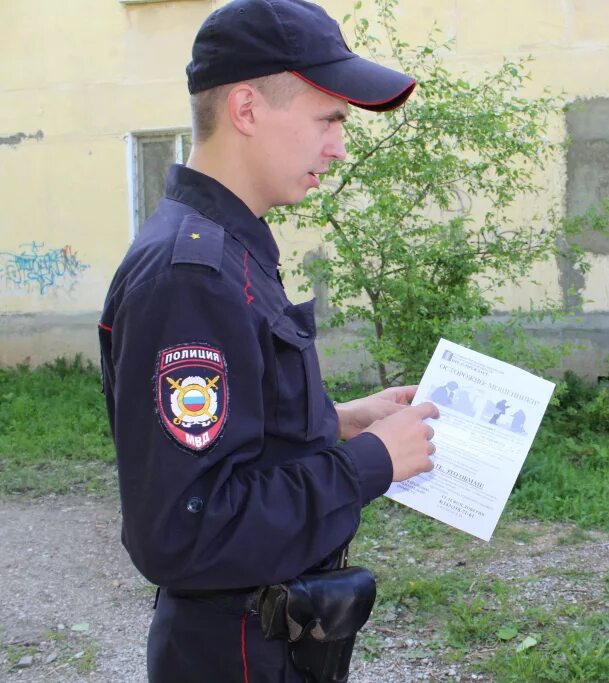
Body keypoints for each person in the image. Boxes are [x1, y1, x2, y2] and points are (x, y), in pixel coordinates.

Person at [96, 1, 438, 680]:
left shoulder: (228, 247)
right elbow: (186, 530)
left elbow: (228, 441)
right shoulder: (190, 276)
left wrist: (336, 421)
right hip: (238, 654)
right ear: (247, 109)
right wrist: (369, 462)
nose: (339, 146)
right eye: (329, 118)